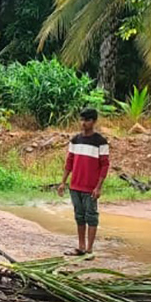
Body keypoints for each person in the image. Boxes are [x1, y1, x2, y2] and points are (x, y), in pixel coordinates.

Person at [57, 108, 110, 255]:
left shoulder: (101, 142)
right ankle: (81, 246)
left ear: (93, 121)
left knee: (91, 217)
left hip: (90, 187)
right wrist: (63, 182)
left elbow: (105, 165)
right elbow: (69, 162)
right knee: (79, 216)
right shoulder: (75, 140)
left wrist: (98, 187)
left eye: (86, 120)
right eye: (82, 120)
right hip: (75, 186)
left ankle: (89, 249)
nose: (83, 123)